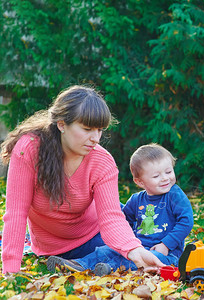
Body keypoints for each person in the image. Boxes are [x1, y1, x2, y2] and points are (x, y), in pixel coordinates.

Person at [1, 85, 164, 274]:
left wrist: (133, 250)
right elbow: (15, 213)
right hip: (58, 246)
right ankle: (95, 261)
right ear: (61, 124)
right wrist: (11, 270)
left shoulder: (102, 161)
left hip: (100, 231)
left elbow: (111, 217)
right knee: (143, 247)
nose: (95, 138)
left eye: (100, 130)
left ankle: (147, 252)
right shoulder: (29, 149)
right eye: (87, 129)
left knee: (152, 245)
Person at [46, 143, 194, 276]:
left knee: (154, 260)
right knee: (105, 250)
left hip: (166, 253)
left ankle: (107, 268)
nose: (165, 178)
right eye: (156, 176)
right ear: (140, 182)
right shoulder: (137, 200)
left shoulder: (174, 195)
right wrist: (125, 243)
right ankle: (77, 264)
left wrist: (166, 244)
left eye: (168, 172)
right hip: (137, 246)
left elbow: (186, 221)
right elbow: (122, 221)